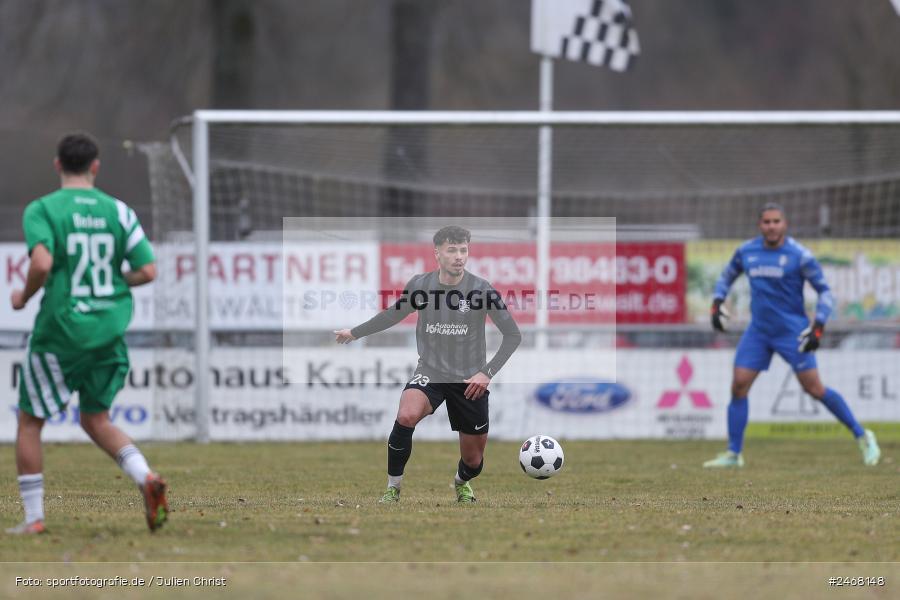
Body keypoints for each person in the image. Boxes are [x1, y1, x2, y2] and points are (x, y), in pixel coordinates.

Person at [7, 132, 168, 534]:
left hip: (61, 333)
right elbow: (147, 271)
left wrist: (22, 297)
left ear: (58, 164)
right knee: (96, 418)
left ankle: (34, 519)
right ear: (95, 167)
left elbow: (41, 264)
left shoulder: (42, 209)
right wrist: (114, 282)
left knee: (30, 422)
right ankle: (145, 477)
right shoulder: (119, 211)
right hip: (108, 332)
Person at [335, 226, 521, 503]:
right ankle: (392, 488)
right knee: (406, 415)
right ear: (437, 253)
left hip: (470, 380)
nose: (459, 256)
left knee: (473, 461)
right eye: (452, 250)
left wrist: (486, 372)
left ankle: (461, 483)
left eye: (463, 250)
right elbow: (392, 315)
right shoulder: (421, 285)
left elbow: (513, 335)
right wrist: (355, 332)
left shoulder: (482, 290)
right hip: (430, 371)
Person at [704, 202, 880, 468]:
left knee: (815, 389)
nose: (772, 226)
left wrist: (818, 325)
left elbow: (825, 292)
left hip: (792, 333)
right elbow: (726, 276)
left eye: (776, 221)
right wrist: (717, 301)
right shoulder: (746, 251)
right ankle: (733, 453)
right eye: (767, 222)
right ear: (760, 225)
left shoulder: (800, 255)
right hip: (759, 332)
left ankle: (862, 435)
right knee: (738, 385)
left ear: (784, 224)